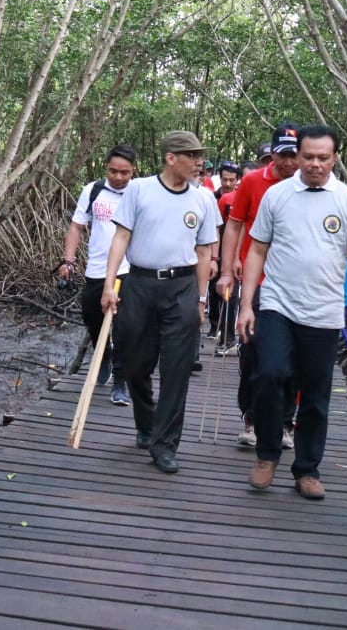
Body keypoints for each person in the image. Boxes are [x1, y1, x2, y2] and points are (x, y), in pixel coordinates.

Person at [237, 124, 347, 500]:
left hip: (324, 312)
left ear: (334, 158)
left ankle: (307, 470)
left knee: (316, 395)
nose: (315, 164)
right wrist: (246, 304)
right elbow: (257, 251)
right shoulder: (277, 196)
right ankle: (267, 454)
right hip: (278, 304)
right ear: (296, 156)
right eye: (309, 157)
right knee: (269, 374)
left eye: (323, 158)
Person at [102, 131, 220, 474]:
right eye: (192, 155)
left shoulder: (203, 200)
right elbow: (121, 236)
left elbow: (203, 252)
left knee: (177, 370)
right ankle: (146, 422)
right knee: (135, 365)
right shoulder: (139, 189)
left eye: (200, 155)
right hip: (140, 284)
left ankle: (165, 444)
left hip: (182, 288)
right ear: (171, 158)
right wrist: (110, 285)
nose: (199, 162)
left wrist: (201, 301)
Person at [217, 122, 301, 450]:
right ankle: (251, 418)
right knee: (252, 352)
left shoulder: (309, 183)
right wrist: (227, 268)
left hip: (296, 284)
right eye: (282, 155)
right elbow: (235, 226)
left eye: (294, 155)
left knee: (292, 358)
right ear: (272, 154)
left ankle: (284, 423)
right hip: (257, 279)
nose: (288, 162)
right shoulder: (253, 181)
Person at [58, 144, 137, 406]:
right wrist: (68, 261)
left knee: (125, 326)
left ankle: (120, 382)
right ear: (106, 168)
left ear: (133, 171)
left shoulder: (140, 193)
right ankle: (103, 354)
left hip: (129, 269)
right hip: (97, 269)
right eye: (114, 171)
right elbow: (76, 226)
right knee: (91, 317)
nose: (118, 177)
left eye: (124, 172)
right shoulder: (93, 191)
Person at [209, 160, 242, 339]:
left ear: (238, 180)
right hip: (216, 251)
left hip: (236, 253)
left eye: (232, 180)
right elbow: (216, 227)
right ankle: (214, 327)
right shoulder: (213, 198)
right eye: (224, 179)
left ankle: (228, 335)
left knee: (231, 293)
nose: (228, 184)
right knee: (213, 291)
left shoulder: (240, 197)